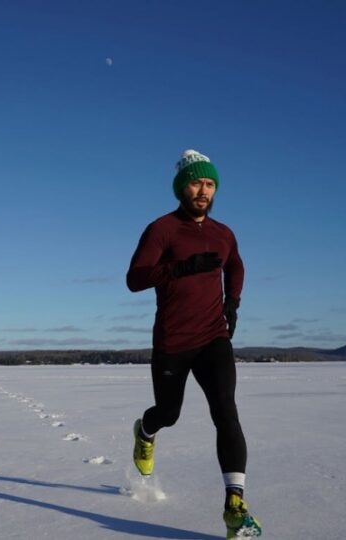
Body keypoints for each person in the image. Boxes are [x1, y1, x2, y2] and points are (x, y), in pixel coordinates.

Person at [126, 149, 261, 538]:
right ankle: (146, 432)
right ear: (181, 187)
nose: (204, 190)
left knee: (226, 412)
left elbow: (235, 263)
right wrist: (178, 268)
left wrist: (232, 303)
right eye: (197, 182)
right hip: (173, 341)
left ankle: (234, 504)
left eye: (210, 183)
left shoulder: (223, 234)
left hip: (213, 338)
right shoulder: (162, 229)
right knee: (169, 413)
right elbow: (135, 278)